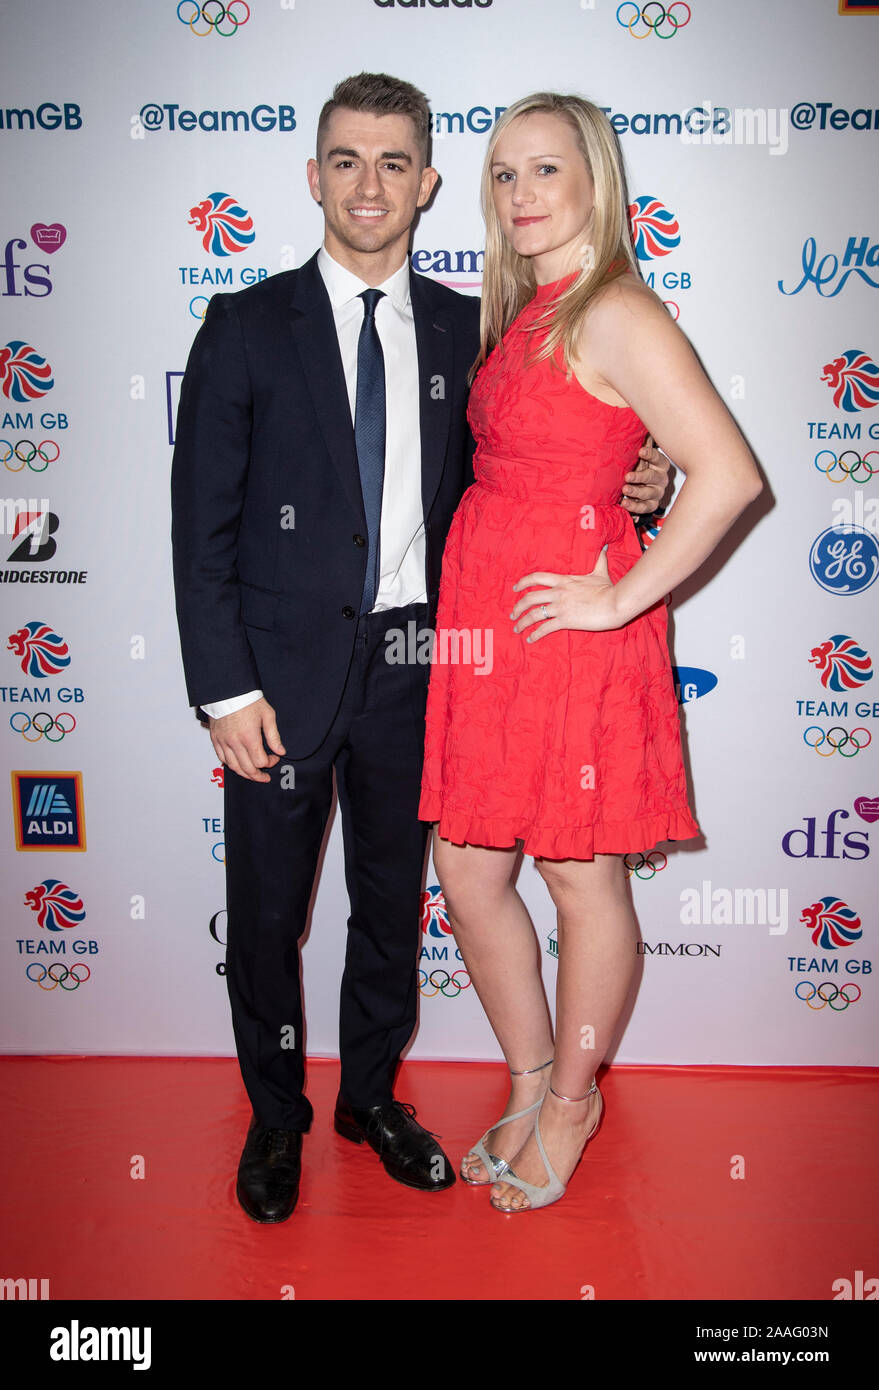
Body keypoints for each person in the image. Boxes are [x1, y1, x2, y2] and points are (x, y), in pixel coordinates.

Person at [171, 74, 671, 1224]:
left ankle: (370, 1098)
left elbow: (548, 457)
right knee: (267, 912)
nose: (370, 183)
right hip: (277, 677)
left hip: (423, 663)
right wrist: (225, 685)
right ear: (313, 176)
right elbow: (199, 525)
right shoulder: (244, 326)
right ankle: (278, 1115)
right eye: (346, 159)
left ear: (428, 184)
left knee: (399, 898)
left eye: (396, 162)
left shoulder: (472, 327)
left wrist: (644, 479)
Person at [418, 92, 763, 1214]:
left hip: (571, 630)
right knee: (468, 869)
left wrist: (617, 602)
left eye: (546, 171)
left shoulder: (615, 308)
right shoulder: (522, 311)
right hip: (489, 622)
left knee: (578, 873)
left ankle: (573, 1096)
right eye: (505, 175)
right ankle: (526, 1074)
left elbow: (730, 476)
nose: (522, 195)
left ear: (595, 182)